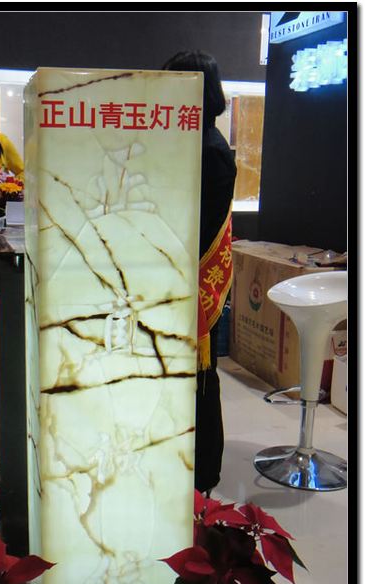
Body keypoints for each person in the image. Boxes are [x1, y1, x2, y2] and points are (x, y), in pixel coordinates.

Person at [163, 50, 237, 496]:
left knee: (200, 379)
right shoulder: (188, 141)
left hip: (192, 278)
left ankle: (203, 473)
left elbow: (197, 225)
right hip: (176, 274)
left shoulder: (210, 150)